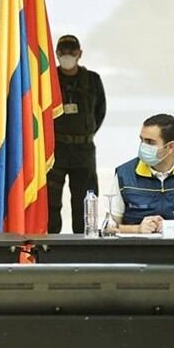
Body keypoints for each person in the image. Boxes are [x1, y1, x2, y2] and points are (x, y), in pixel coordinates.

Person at [109, 113, 174, 234]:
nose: (143, 146)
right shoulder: (124, 173)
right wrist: (137, 229)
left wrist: (173, 228)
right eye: (142, 140)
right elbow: (109, 227)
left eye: (150, 142)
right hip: (138, 249)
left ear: (170, 147)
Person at [48, 34, 107, 233]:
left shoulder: (92, 80)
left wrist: (85, 133)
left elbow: (100, 111)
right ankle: (49, 245)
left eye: (71, 51)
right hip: (56, 149)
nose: (67, 55)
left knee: (85, 201)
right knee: (51, 201)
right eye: (63, 51)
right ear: (56, 54)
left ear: (79, 53)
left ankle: (83, 245)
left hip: (84, 150)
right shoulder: (49, 79)